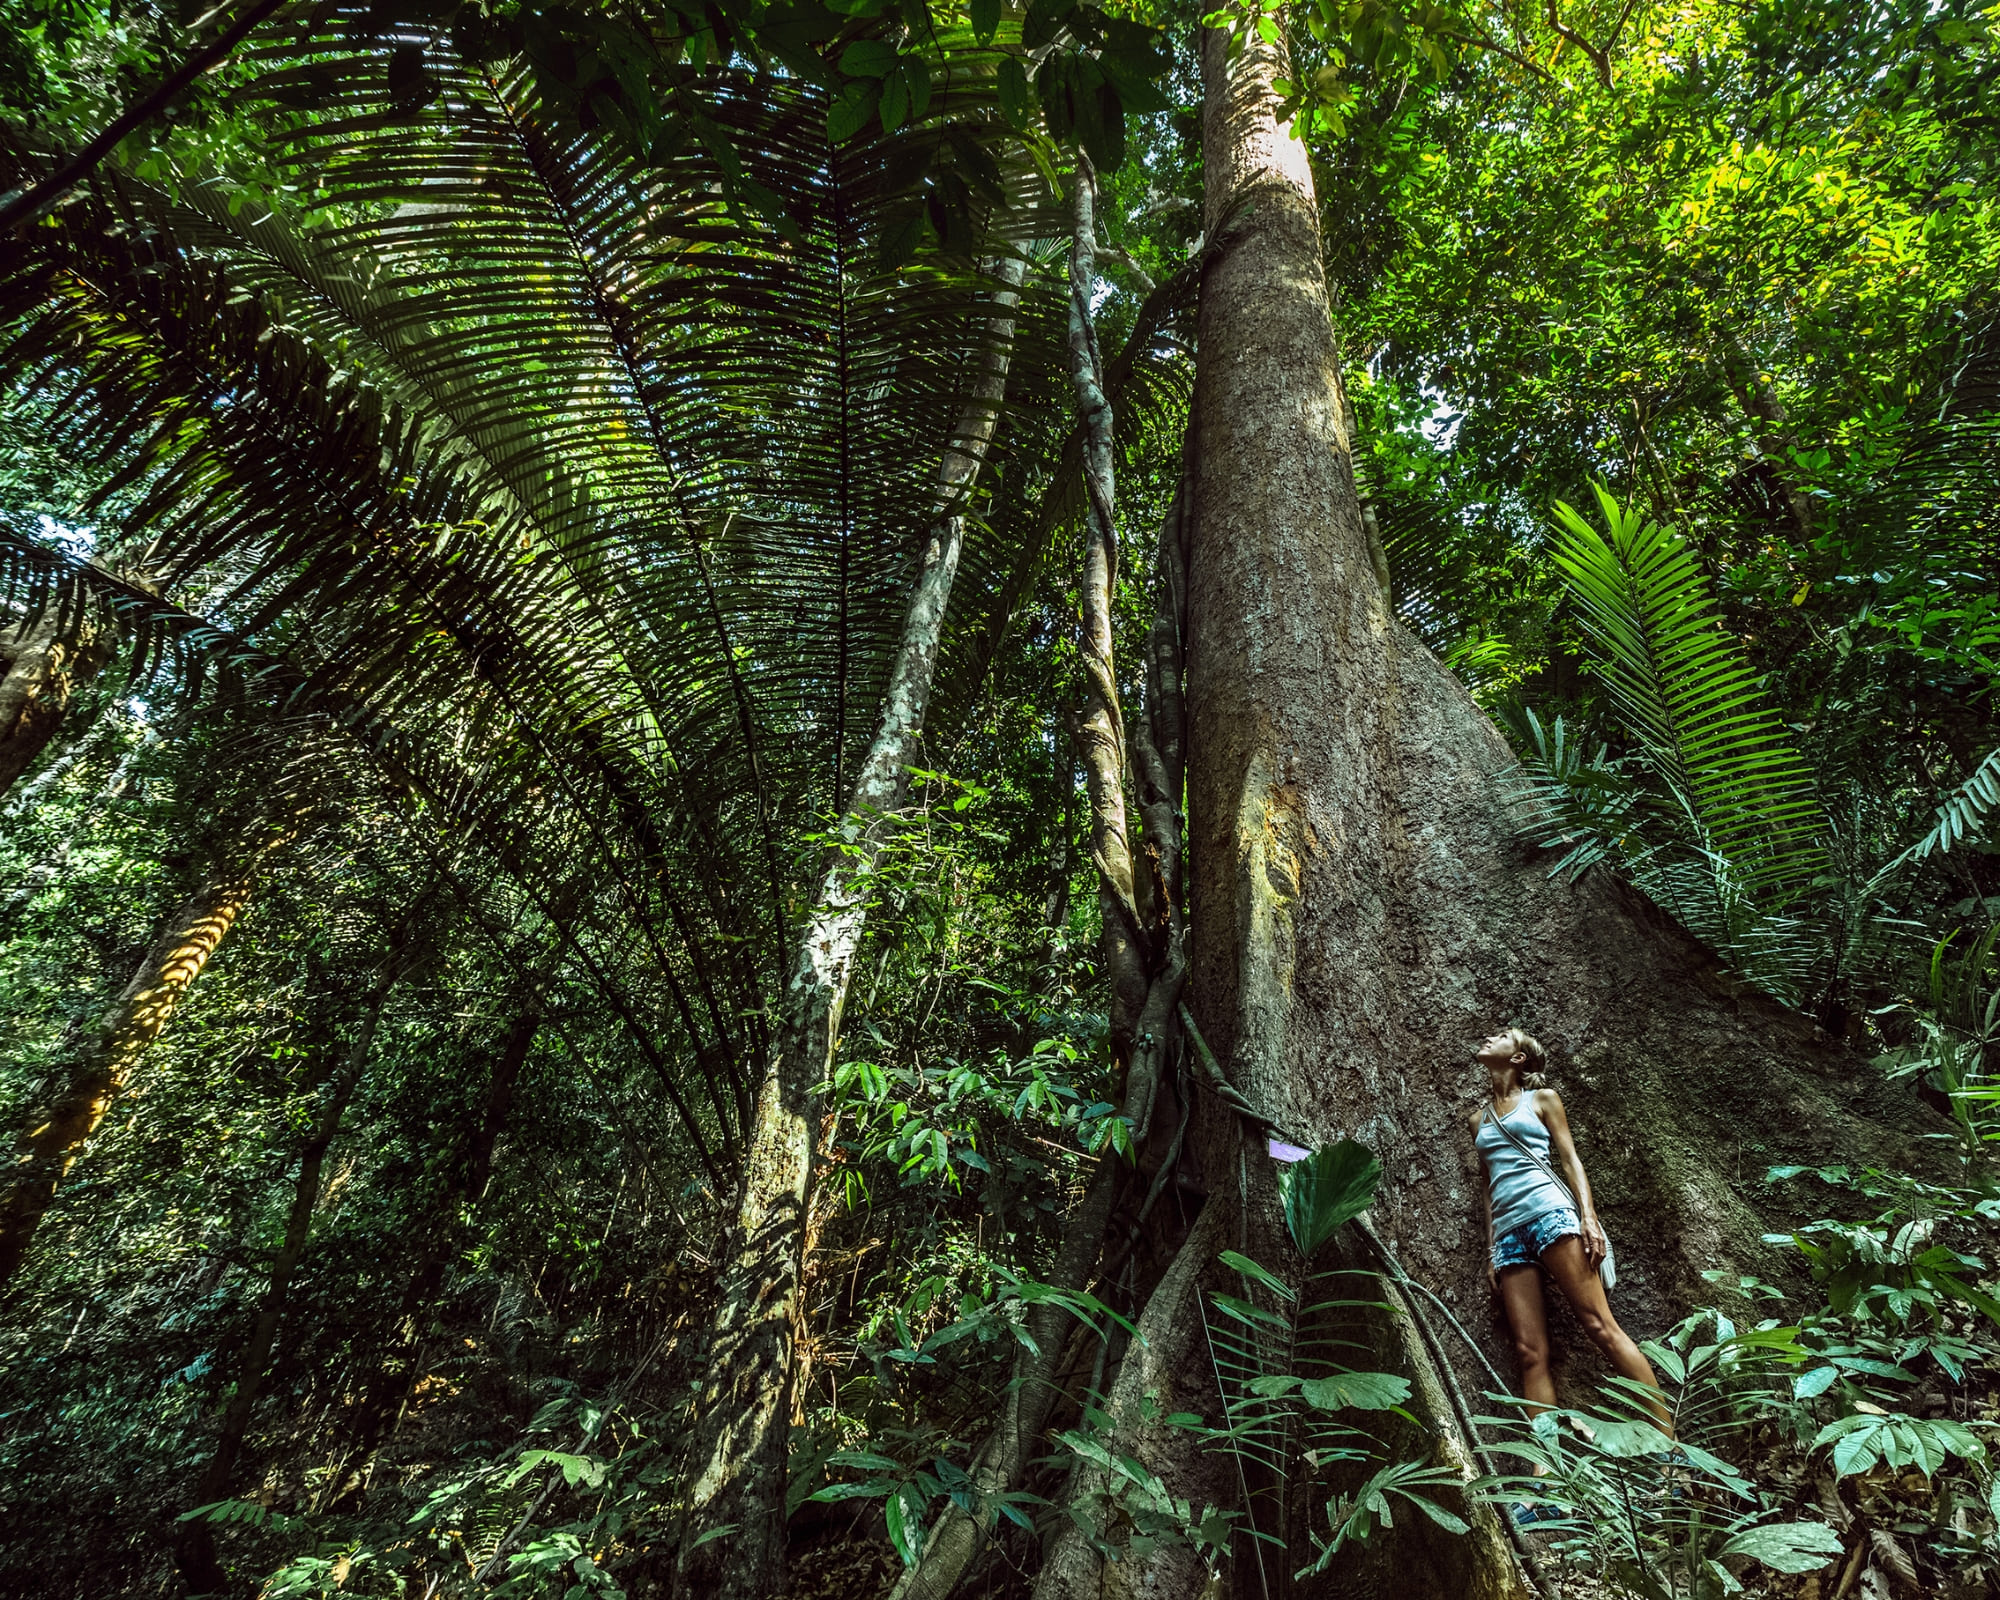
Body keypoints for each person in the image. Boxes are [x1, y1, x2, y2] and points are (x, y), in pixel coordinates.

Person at [1470, 1027, 1669, 1433]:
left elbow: (1570, 1160)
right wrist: (1491, 1251)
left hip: (1551, 1215)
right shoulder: (1478, 1120)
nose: (1491, 1037)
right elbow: (1488, 1189)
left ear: (1519, 1057)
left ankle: (1669, 1444)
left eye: (1503, 1035)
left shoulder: (1541, 1100)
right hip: (1509, 1233)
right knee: (1529, 1353)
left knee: (1600, 1325)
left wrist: (1589, 1218)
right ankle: (1546, 1475)